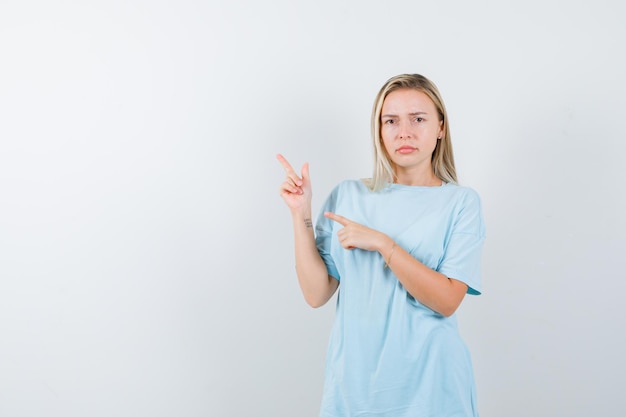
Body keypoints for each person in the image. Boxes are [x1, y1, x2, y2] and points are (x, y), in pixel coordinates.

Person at [277, 73, 485, 417]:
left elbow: (448, 301)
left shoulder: (461, 203)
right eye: (391, 121)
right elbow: (316, 294)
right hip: (356, 388)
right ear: (379, 130)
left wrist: (385, 246)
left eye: (418, 119)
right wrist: (301, 215)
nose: (404, 132)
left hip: (432, 387)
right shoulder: (348, 196)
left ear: (440, 127)